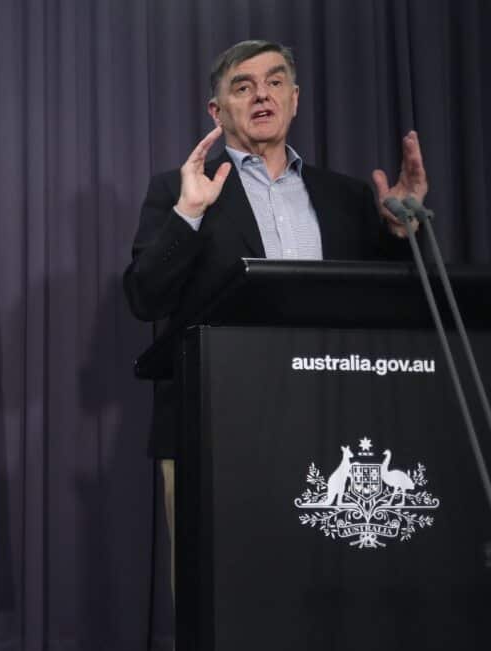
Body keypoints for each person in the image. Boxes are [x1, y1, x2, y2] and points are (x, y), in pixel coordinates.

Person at [123, 39, 428, 575]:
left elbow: (402, 303)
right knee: (217, 590)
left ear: (294, 98)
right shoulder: (181, 189)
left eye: (275, 81)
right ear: (217, 112)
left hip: (330, 422)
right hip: (213, 426)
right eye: (243, 86)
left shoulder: (349, 197)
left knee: (319, 586)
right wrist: (188, 215)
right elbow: (145, 298)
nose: (261, 94)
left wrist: (403, 232)